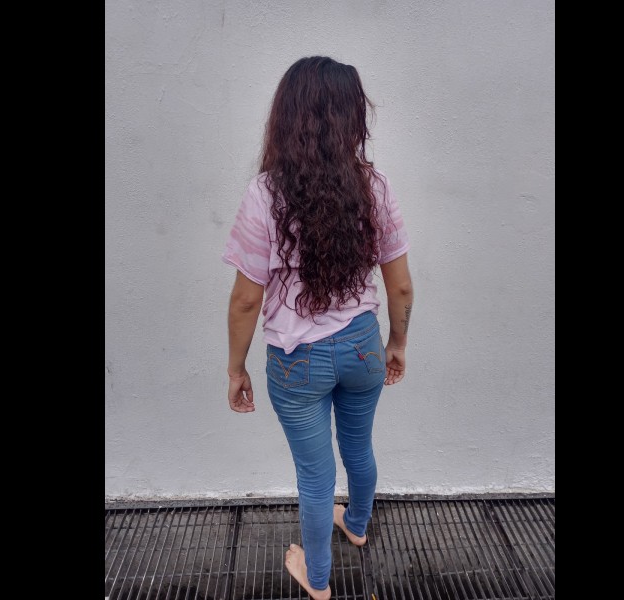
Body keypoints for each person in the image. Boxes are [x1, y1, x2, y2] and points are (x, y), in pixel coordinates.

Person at [221, 56, 413, 600]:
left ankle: (318, 579)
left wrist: (235, 368)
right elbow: (400, 287)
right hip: (362, 347)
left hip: (297, 360)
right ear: (352, 117)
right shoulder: (374, 187)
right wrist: (397, 343)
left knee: (314, 476)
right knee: (359, 447)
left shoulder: (265, 193)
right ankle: (356, 524)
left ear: (287, 116)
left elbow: (246, 300)